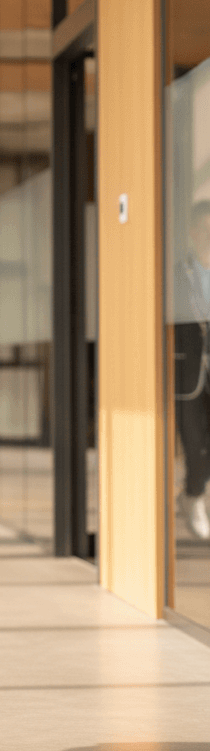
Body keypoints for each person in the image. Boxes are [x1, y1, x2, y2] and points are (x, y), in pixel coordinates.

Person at [174, 201, 210, 540]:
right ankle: (194, 498)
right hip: (188, 372)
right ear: (193, 232)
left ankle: (191, 495)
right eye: (205, 229)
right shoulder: (178, 273)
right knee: (194, 442)